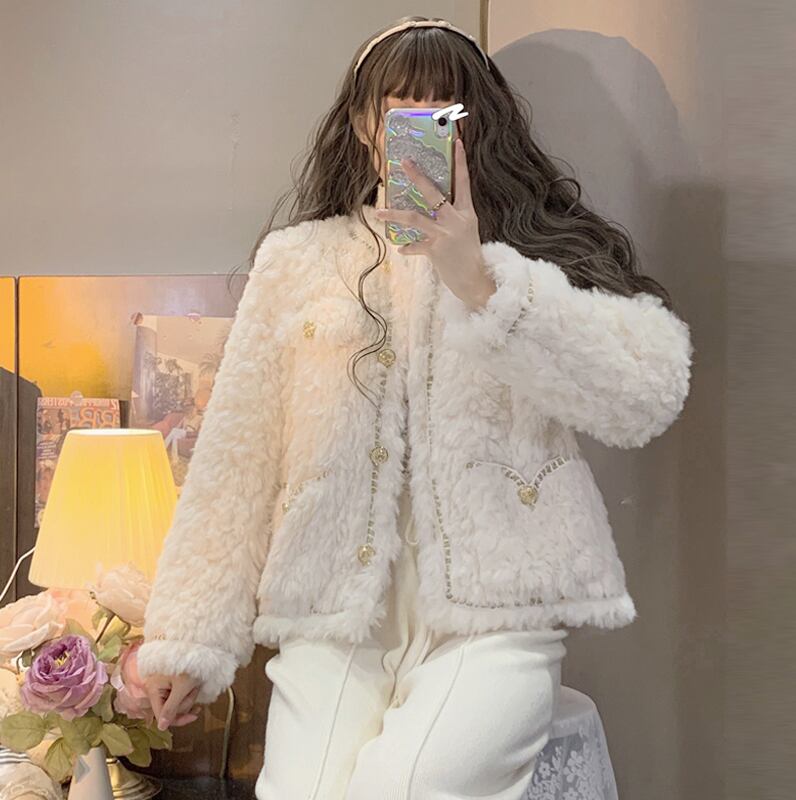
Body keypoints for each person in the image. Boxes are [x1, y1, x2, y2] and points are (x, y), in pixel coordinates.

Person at [138, 15, 694, 799]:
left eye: (441, 109)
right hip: (334, 625)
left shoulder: (527, 254)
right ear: (364, 123)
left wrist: (480, 282)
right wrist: (187, 638)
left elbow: (646, 394)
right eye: (398, 107)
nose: (418, 125)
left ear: (474, 124)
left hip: (495, 622)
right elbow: (237, 458)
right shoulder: (298, 262)